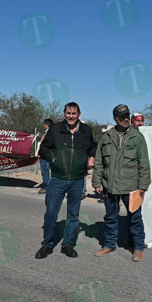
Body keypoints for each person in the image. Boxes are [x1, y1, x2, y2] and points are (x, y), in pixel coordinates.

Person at [35, 102, 97, 259]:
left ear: (79, 114)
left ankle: (68, 244)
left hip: (77, 180)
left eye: (74, 114)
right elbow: (43, 149)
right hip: (57, 179)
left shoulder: (86, 130)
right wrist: (54, 159)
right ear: (64, 114)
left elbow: (93, 147)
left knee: (73, 214)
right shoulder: (55, 129)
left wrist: (92, 157)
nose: (71, 116)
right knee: (50, 213)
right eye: (68, 113)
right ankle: (47, 244)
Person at [92, 104, 151, 262]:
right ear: (115, 119)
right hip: (110, 185)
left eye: (127, 116)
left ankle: (138, 246)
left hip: (131, 187)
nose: (125, 119)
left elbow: (144, 164)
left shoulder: (137, 137)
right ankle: (109, 244)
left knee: (135, 217)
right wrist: (97, 181)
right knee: (110, 217)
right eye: (121, 117)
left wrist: (143, 186)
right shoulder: (106, 137)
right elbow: (99, 162)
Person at [38, 118, 53, 194]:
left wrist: (40, 153)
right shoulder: (53, 133)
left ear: (47, 125)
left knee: (45, 171)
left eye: (44, 124)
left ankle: (46, 187)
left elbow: (45, 145)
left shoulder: (48, 134)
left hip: (45, 155)